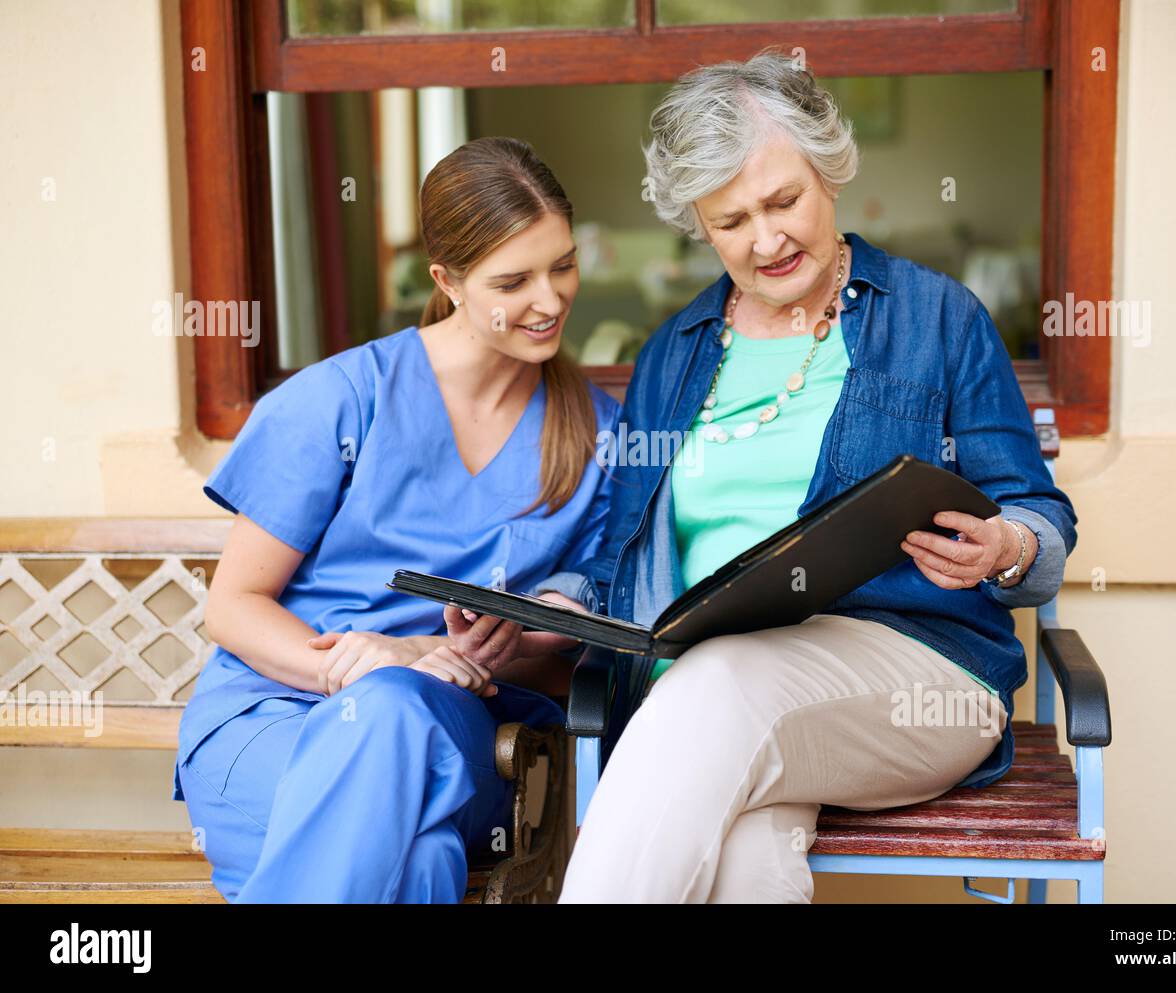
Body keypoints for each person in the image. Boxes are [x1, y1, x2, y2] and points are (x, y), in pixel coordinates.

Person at [481, 50, 1078, 902]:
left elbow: (1038, 513)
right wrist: (559, 610)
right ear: (699, 224)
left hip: (918, 678)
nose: (765, 240)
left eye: (784, 200)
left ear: (828, 171)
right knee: (745, 856)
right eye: (730, 221)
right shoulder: (673, 356)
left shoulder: (937, 318)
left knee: (716, 688)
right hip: (726, 700)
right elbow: (624, 559)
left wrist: (1007, 546)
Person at [171, 136, 618, 903]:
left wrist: (522, 634)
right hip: (273, 721)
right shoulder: (339, 400)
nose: (549, 300)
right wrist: (369, 663)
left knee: (395, 720)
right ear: (447, 280)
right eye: (513, 280)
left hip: (461, 733)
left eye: (563, 265)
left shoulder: (598, 436)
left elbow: (577, 652)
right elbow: (233, 605)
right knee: (413, 857)